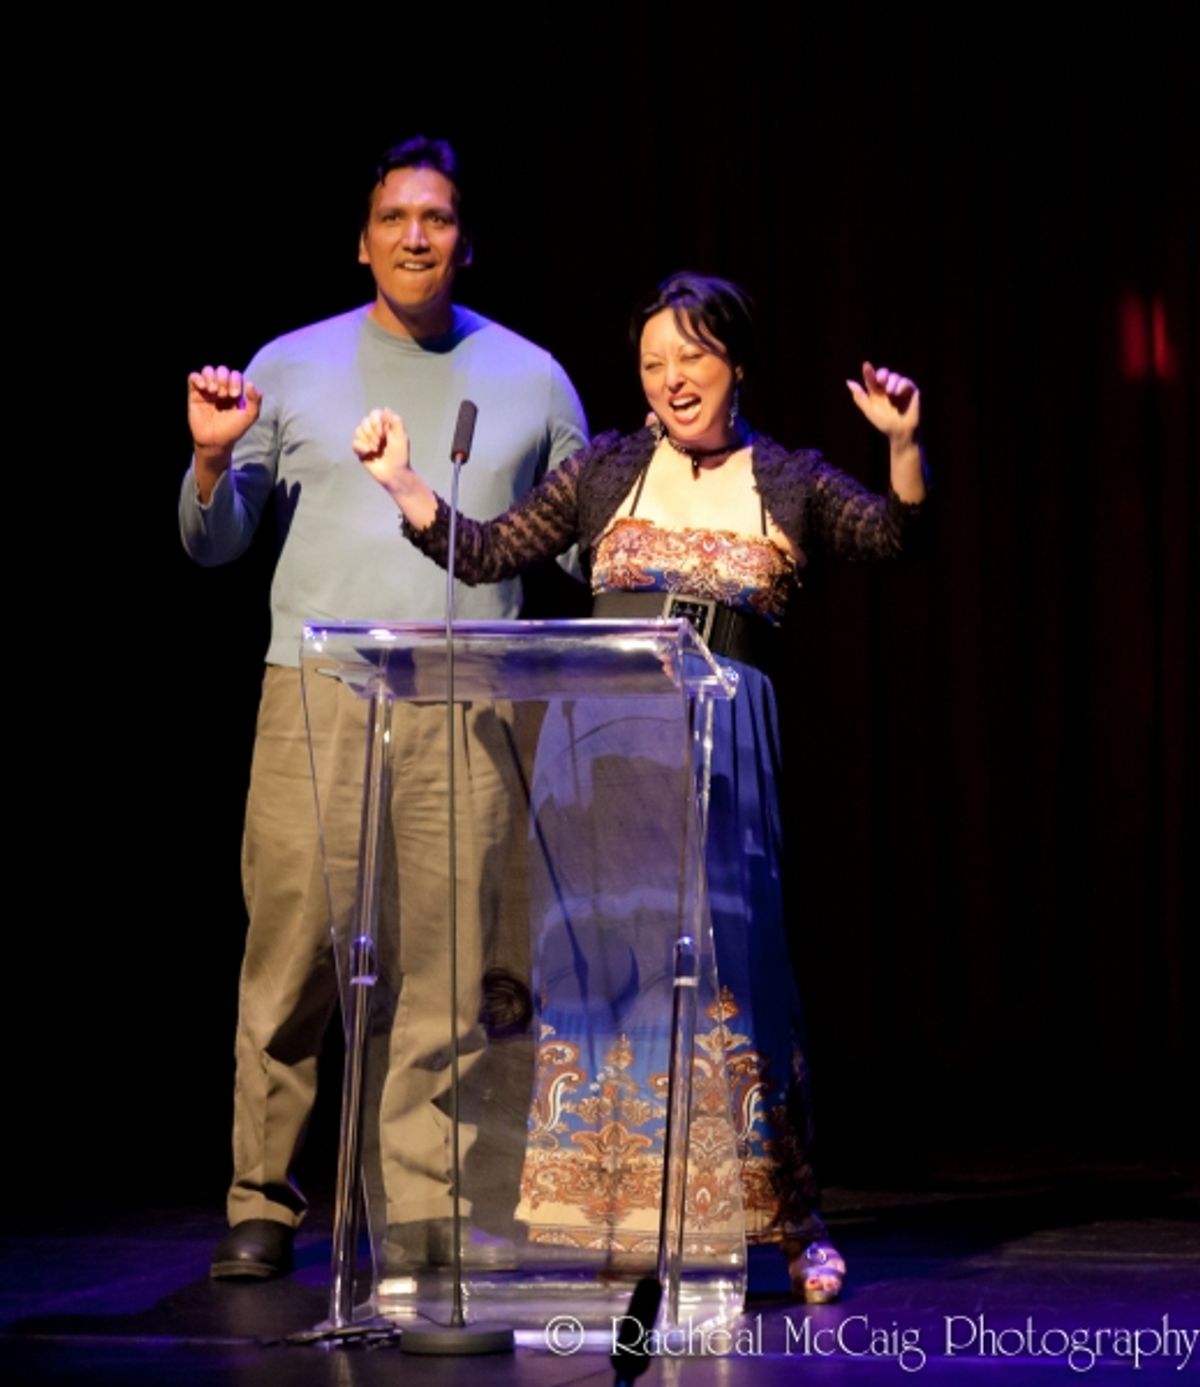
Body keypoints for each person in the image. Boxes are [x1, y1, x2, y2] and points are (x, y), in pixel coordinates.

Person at [352, 271, 926, 1303]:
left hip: (721, 757)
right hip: (602, 758)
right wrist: (401, 481)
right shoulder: (608, 469)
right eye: (654, 363)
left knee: (735, 986)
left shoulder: (786, 479)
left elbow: (893, 536)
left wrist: (901, 444)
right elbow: (485, 551)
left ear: (736, 362)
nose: (672, 380)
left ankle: (789, 1219)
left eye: (692, 358)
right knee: (605, 984)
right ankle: (619, 1220)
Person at [179, 136, 588, 1281]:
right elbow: (213, 544)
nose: (418, 235)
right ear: (363, 242)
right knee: (293, 947)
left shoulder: (534, 377)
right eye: (396, 218)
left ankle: (424, 1209)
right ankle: (261, 1198)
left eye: (439, 218)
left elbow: (592, 534)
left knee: (451, 963)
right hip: (317, 692)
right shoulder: (291, 365)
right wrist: (212, 465)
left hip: (470, 702)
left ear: (467, 242)